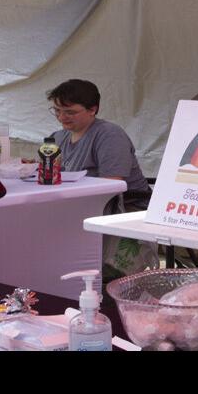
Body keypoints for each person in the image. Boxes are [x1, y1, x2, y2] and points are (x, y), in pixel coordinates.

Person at [45, 79, 155, 279]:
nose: (62, 117)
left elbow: (111, 185)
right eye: (57, 110)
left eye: (70, 112)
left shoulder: (109, 135)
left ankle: (89, 280)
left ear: (92, 109)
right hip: (82, 205)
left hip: (124, 207)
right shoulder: (58, 137)